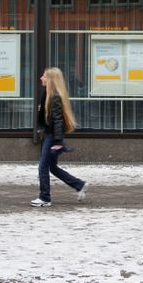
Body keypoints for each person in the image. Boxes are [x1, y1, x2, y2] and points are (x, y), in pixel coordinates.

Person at [31, 67, 88, 207]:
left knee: (43, 167)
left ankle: (45, 198)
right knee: (52, 167)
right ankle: (79, 184)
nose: (41, 78)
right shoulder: (48, 94)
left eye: (44, 76)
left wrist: (57, 142)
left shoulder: (54, 97)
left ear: (50, 80)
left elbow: (58, 121)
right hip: (50, 135)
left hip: (52, 137)